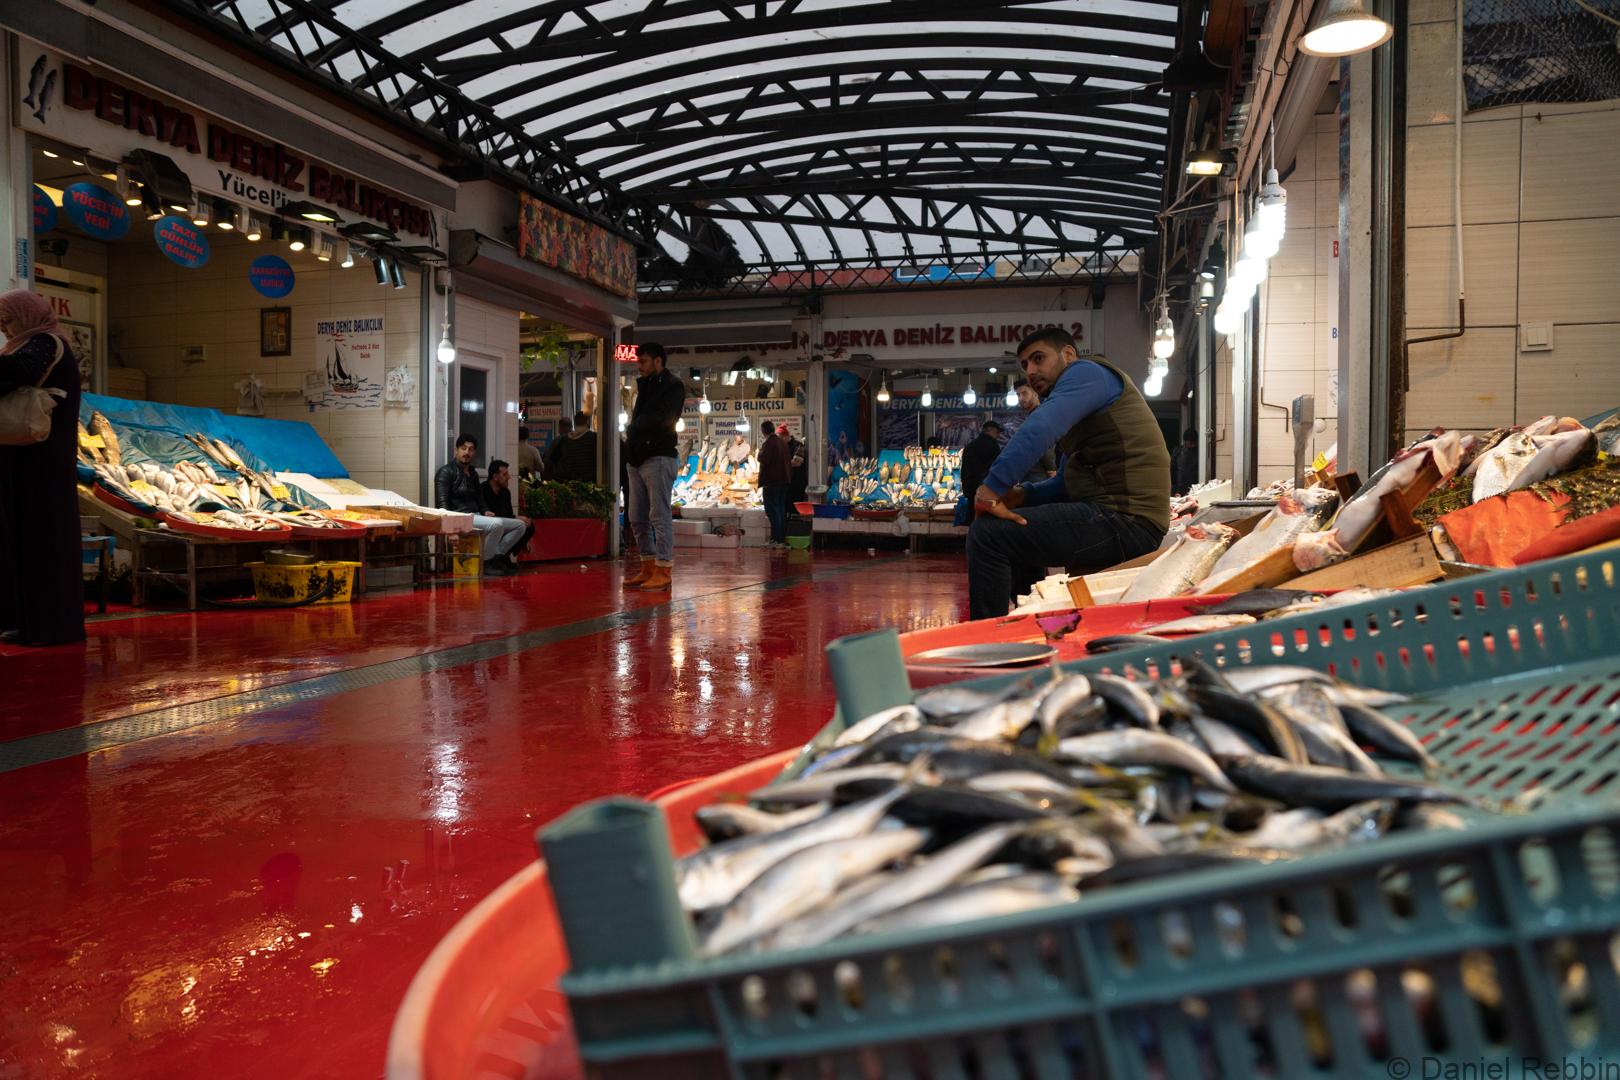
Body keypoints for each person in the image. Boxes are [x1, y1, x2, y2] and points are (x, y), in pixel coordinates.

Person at [967, 328, 1169, 620]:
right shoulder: (1083, 405)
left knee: (986, 535)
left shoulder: (1087, 372)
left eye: (1039, 359)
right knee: (1014, 525)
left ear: (1069, 355)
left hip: (1127, 520)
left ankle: (985, 638)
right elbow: (1066, 480)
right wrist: (1021, 495)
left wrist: (991, 489)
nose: (1030, 371)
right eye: (1025, 365)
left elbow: (1040, 428)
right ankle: (1028, 622)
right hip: (1124, 518)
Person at [0, 289, 84, 646]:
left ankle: (50, 627)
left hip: (42, 463)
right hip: (25, 458)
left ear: (28, 315)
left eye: (9, 320)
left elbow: (18, 372)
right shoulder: (25, 346)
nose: (5, 329)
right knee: (24, 541)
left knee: (44, 541)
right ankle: (31, 623)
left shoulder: (46, 343)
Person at [622, 342, 685, 591]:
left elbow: (666, 418)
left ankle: (664, 568)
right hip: (636, 459)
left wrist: (636, 426)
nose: (639, 366)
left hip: (658, 457)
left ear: (658, 361)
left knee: (659, 516)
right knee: (636, 518)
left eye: (643, 361)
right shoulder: (645, 386)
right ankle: (647, 566)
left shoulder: (673, 385)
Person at [434, 434, 527, 576]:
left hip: (476, 516)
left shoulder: (472, 473)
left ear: (474, 452)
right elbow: (442, 505)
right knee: (496, 525)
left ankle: (496, 557)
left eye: (470, 449)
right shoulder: (445, 472)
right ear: (456, 450)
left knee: (520, 526)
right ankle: (486, 563)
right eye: (463, 448)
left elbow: (479, 497)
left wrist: (485, 510)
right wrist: (451, 530)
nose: (467, 452)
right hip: (460, 517)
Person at [481, 458, 534, 568]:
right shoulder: (483, 489)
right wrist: (516, 518)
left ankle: (504, 556)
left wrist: (524, 538)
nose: (509, 477)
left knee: (529, 526)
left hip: (504, 523)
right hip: (490, 525)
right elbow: (490, 514)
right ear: (495, 477)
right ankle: (495, 559)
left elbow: (508, 513)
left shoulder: (505, 492)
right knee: (518, 524)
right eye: (505, 474)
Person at [954, 420, 1003, 527]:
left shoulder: (970, 446)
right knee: (986, 523)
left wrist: (967, 489)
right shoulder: (993, 447)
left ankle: (971, 535)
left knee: (972, 519)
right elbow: (997, 469)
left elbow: (965, 469)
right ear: (991, 431)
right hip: (987, 491)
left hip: (971, 490)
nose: (998, 435)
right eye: (997, 432)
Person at [1013, 377, 1058, 483]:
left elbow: (1044, 443)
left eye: (1024, 393)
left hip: (1039, 475)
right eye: (1018, 395)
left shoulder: (1040, 415)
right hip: (1031, 474)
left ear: (1035, 393)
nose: (1021, 398)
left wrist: (1051, 469)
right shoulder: (1033, 416)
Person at [757, 420, 792, 549]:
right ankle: (780, 539)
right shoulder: (782, 442)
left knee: (772, 511)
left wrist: (759, 454)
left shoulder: (769, 443)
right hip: (784, 481)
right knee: (780, 510)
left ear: (763, 431)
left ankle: (776, 539)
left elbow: (763, 459)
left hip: (772, 482)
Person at [546, 411, 598, 483]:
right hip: (588, 483)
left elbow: (552, 460)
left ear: (575, 423)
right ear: (588, 422)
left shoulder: (563, 440)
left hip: (568, 483)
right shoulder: (594, 438)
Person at [1172, 429, 1200, 495]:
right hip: (1178, 487)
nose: (1192, 445)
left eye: (1193, 443)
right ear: (1185, 441)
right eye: (1190, 443)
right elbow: (1172, 469)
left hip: (1194, 488)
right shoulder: (1178, 451)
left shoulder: (1199, 452)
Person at [787, 433, 808, 505]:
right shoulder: (784, 446)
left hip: (797, 481)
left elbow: (797, 463)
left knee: (795, 505)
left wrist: (780, 464)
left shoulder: (798, 445)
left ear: (784, 437)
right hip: (789, 482)